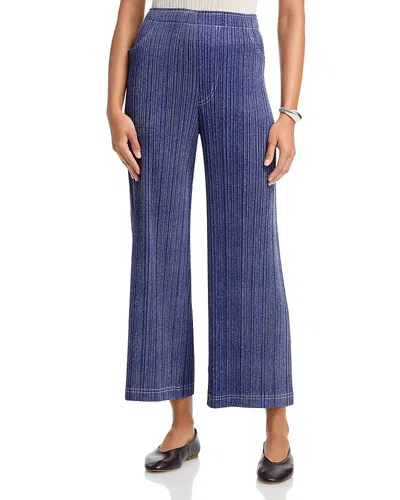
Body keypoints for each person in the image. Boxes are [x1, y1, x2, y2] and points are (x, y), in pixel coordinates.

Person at [107, 0, 304, 483]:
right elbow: (130, 9)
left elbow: (291, 13)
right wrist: (113, 106)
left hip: (238, 58)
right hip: (158, 62)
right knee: (159, 241)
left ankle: (276, 426)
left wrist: (288, 114)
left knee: (253, 247)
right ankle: (182, 424)